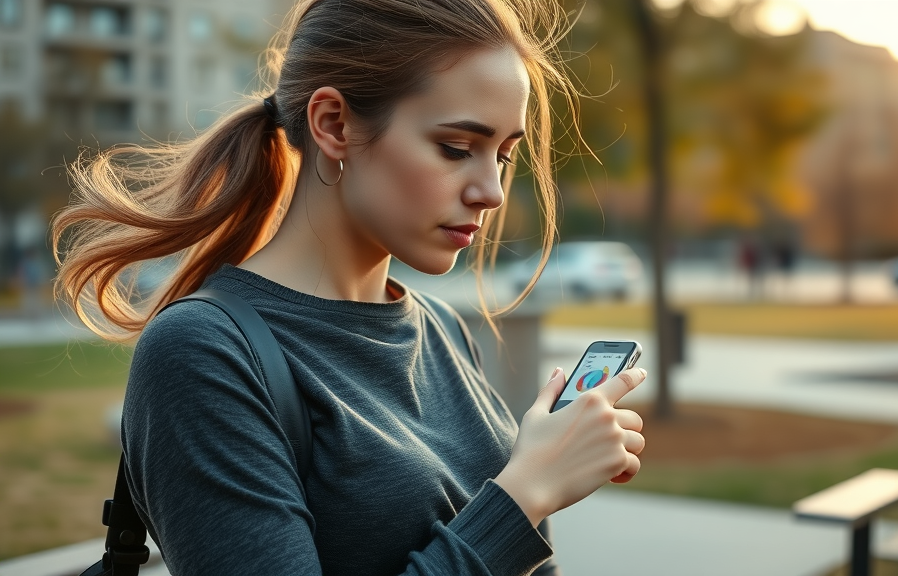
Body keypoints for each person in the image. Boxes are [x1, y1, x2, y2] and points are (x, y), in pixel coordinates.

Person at [50, 1, 647, 574]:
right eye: (457, 148)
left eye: (504, 155)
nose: (490, 191)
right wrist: (522, 497)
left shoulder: (442, 331)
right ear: (334, 124)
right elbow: (505, 527)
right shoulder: (203, 354)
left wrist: (543, 478)